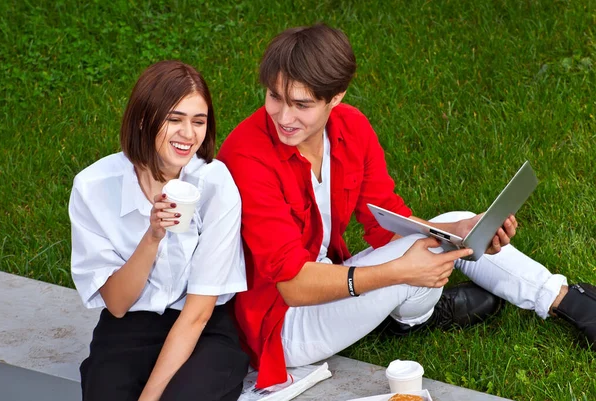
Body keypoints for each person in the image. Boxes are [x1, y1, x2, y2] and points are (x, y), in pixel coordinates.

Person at [217, 24, 596, 389]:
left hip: (328, 281)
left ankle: (568, 300)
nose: (284, 117)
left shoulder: (350, 128)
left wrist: (459, 231)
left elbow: (386, 219)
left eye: (301, 104)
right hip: (281, 324)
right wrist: (398, 271)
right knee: (424, 255)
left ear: (336, 97)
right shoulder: (247, 154)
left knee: (446, 228)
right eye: (274, 97)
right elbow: (293, 286)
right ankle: (415, 315)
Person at [69, 60, 249, 401]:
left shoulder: (215, 184)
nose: (189, 134)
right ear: (143, 119)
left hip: (202, 328)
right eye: (174, 119)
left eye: (198, 121)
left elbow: (199, 312)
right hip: (128, 327)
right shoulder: (93, 187)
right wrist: (152, 237)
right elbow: (118, 305)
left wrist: (149, 398)